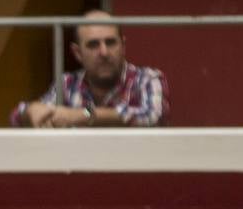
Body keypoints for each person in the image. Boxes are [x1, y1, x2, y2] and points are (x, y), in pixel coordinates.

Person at [12, 9, 169, 128]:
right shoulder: (67, 83)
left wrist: (84, 114)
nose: (104, 52)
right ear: (78, 53)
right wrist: (32, 111)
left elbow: (153, 116)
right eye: (93, 45)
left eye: (110, 42)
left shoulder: (147, 79)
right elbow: (16, 115)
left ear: (123, 46)